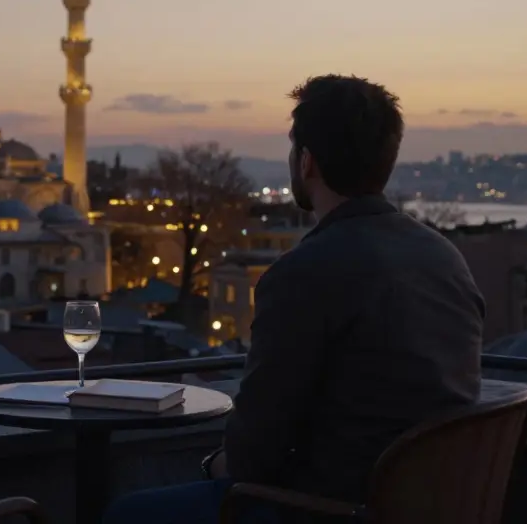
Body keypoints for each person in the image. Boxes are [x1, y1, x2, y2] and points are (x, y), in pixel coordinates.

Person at [103, 75, 485, 524]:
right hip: (426, 507)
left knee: (128, 513)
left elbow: (252, 454)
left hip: (325, 509)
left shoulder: (303, 272)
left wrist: (212, 467)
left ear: (306, 162)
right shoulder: (445, 258)